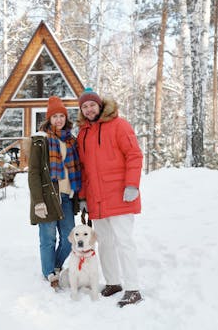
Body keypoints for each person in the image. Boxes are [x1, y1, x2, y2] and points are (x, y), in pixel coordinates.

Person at [76, 87, 144, 307]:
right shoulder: (83, 134)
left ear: (100, 105)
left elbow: (134, 154)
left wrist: (132, 184)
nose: (88, 109)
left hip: (121, 196)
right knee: (104, 243)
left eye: (92, 105)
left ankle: (133, 288)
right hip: (97, 199)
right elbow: (84, 169)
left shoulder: (119, 125)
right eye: (84, 107)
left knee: (124, 242)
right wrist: (84, 197)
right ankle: (113, 282)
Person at [28, 96, 81, 289]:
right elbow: (33, 172)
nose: (58, 119)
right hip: (49, 196)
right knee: (48, 237)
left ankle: (56, 266)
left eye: (62, 116)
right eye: (55, 116)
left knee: (69, 237)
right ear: (49, 119)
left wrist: (81, 197)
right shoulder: (40, 140)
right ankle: (49, 272)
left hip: (67, 196)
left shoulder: (72, 141)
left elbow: (79, 168)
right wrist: (38, 201)